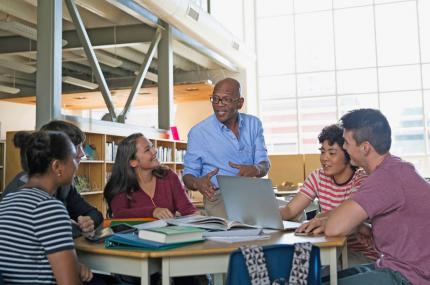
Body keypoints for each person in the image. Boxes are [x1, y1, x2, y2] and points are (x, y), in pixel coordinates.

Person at [299, 109, 430, 284]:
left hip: (410, 277)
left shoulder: (385, 177)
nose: (344, 147)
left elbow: (333, 228)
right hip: (394, 266)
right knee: (317, 280)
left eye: (346, 142)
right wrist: (361, 227)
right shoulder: (396, 169)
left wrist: (327, 221)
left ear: (365, 147)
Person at [0, 131, 93, 284]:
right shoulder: (49, 208)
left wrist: (74, 266)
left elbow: (26, 259)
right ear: (57, 166)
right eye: (74, 159)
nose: (77, 165)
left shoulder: (7, 201)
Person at [280, 124, 377, 264]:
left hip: (359, 253)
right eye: (322, 151)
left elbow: (345, 215)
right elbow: (290, 210)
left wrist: (320, 216)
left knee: (312, 271)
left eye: (332, 153)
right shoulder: (318, 177)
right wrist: (263, 215)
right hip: (327, 247)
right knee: (293, 265)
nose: (324, 158)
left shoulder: (361, 181)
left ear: (348, 155)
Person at [183, 77, 270, 217]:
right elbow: (188, 175)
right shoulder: (198, 132)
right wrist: (197, 183)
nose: (219, 104)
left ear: (240, 103)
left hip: (253, 192)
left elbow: (264, 165)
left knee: (295, 214)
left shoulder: (254, 124)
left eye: (226, 99)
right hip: (219, 197)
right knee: (245, 220)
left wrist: (255, 169)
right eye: (215, 99)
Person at [1, 120, 103, 238]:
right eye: (76, 147)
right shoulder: (25, 194)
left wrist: (89, 222)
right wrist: (73, 227)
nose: (82, 154)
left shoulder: (63, 185)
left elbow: (94, 214)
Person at [104, 133, 197, 219]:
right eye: (147, 150)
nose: (155, 151)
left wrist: (196, 216)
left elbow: (186, 208)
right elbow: (120, 213)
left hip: (169, 235)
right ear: (133, 162)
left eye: (152, 146)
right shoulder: (121, 184)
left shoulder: (169, 176)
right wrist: (152, 211)